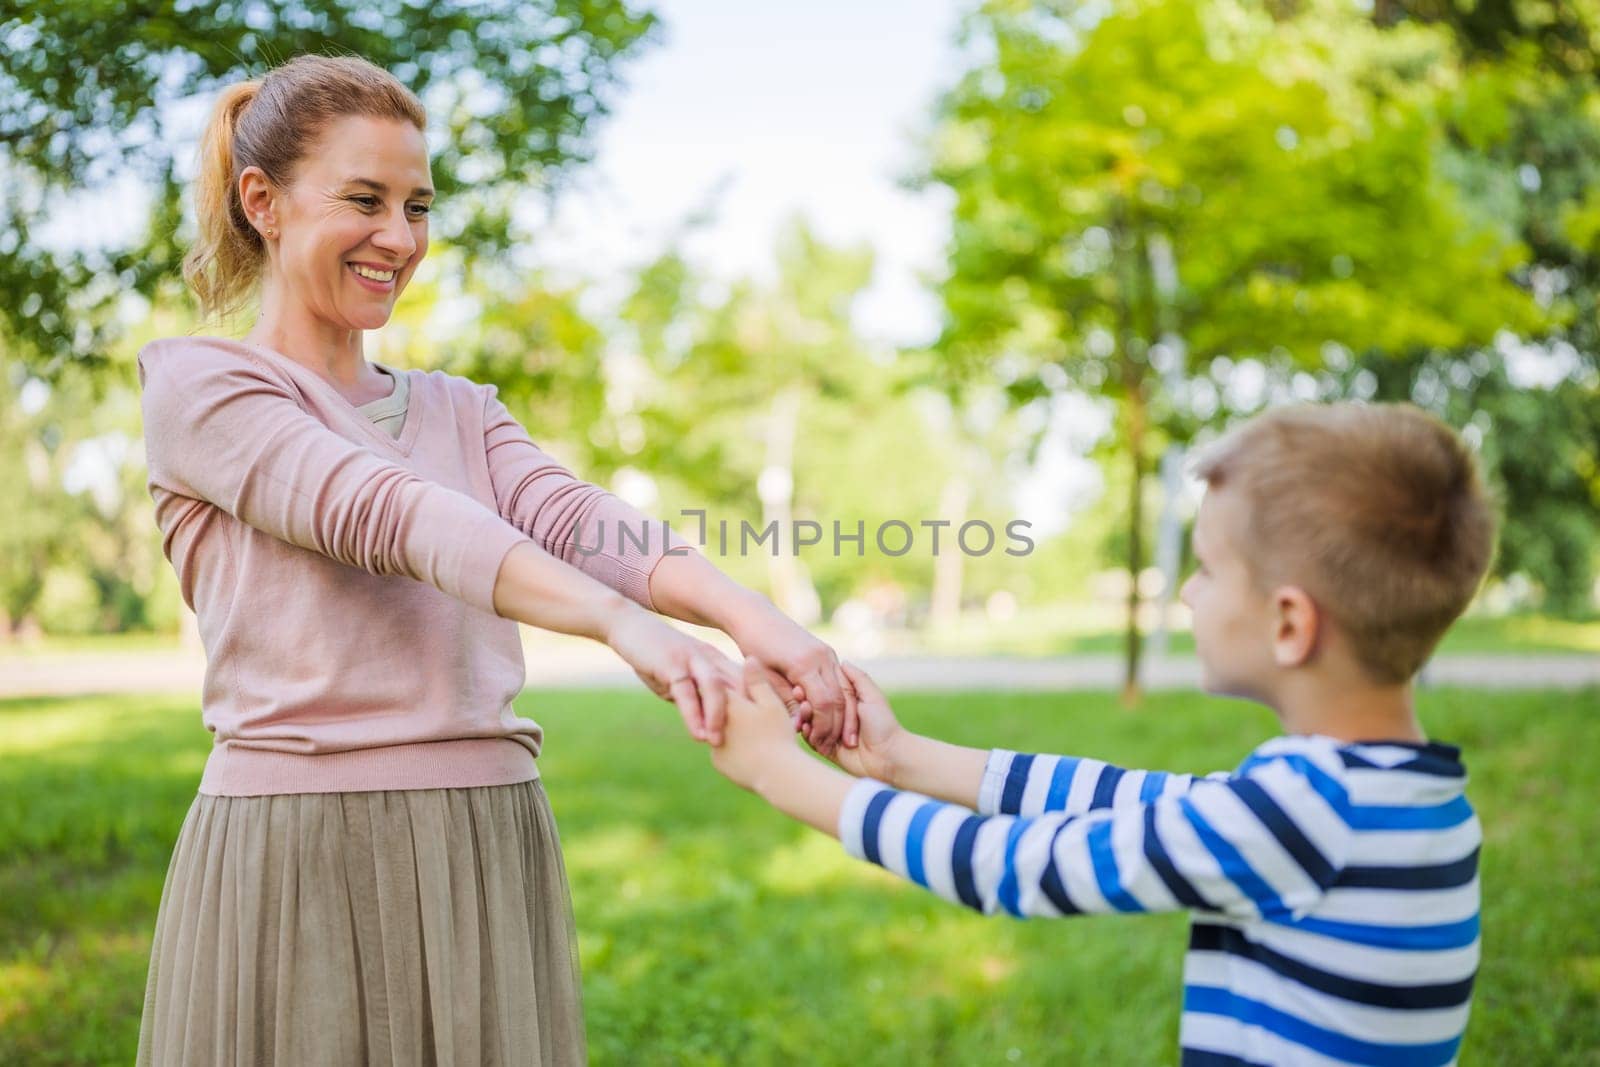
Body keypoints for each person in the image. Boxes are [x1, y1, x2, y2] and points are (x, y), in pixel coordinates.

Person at [134, 53, 855, 1065]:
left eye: (418, 205)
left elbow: (580, 520)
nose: (400, 236)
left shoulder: (460, 410)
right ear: (264, 200)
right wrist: (619, 624)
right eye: (365, 199)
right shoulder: (201, 387)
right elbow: (389, 514)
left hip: (485, 837)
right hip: (297, 848)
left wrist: (758, 621)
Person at [713, 402, 1495, 1067]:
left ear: (1290, 622)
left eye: (1208, 568)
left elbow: (1003, 868)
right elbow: (1130, 802)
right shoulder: (1403, 796)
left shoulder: (1304, 812)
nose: (1186, 593)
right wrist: (899, 756)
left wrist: (780, 772)